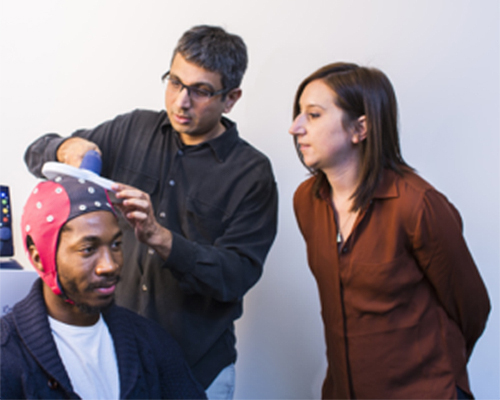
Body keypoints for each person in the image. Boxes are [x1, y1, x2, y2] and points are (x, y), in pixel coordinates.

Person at [24, 25, 278, 398]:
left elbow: (236, 275)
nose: (180, 102)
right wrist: (67, 149)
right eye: (175, 82)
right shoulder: (132, 129)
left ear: (232, 98)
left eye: (201, 91)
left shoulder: (251, 173)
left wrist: (162, 239)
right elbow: (36, 152)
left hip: (198, 369)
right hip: (117, 360)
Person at [289, 62, 490, 399]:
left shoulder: (417, 205)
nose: (295, 127)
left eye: (313, 115)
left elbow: (472, 308)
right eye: (298, 114)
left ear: (360, 128)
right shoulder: (306, 202)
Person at [0, 175, 206, 399]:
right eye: (88, 249)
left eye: (116, 245)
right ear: (38, 256)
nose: (110, 265)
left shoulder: (151, 342)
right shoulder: (7, 355)